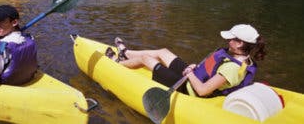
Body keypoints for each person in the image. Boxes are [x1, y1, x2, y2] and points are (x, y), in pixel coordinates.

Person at [108, 24, 266, 97]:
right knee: (163, 52)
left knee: (146, 59)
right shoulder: (242, 56)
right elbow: (211, 67)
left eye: (231, 39)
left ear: (239, 43)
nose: (227, 41)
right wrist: (195, 67)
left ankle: (117, 62)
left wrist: (190, 74)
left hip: (188, 88)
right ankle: (125, 52)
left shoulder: (232, 68)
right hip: (192, 76)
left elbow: (203, 90)